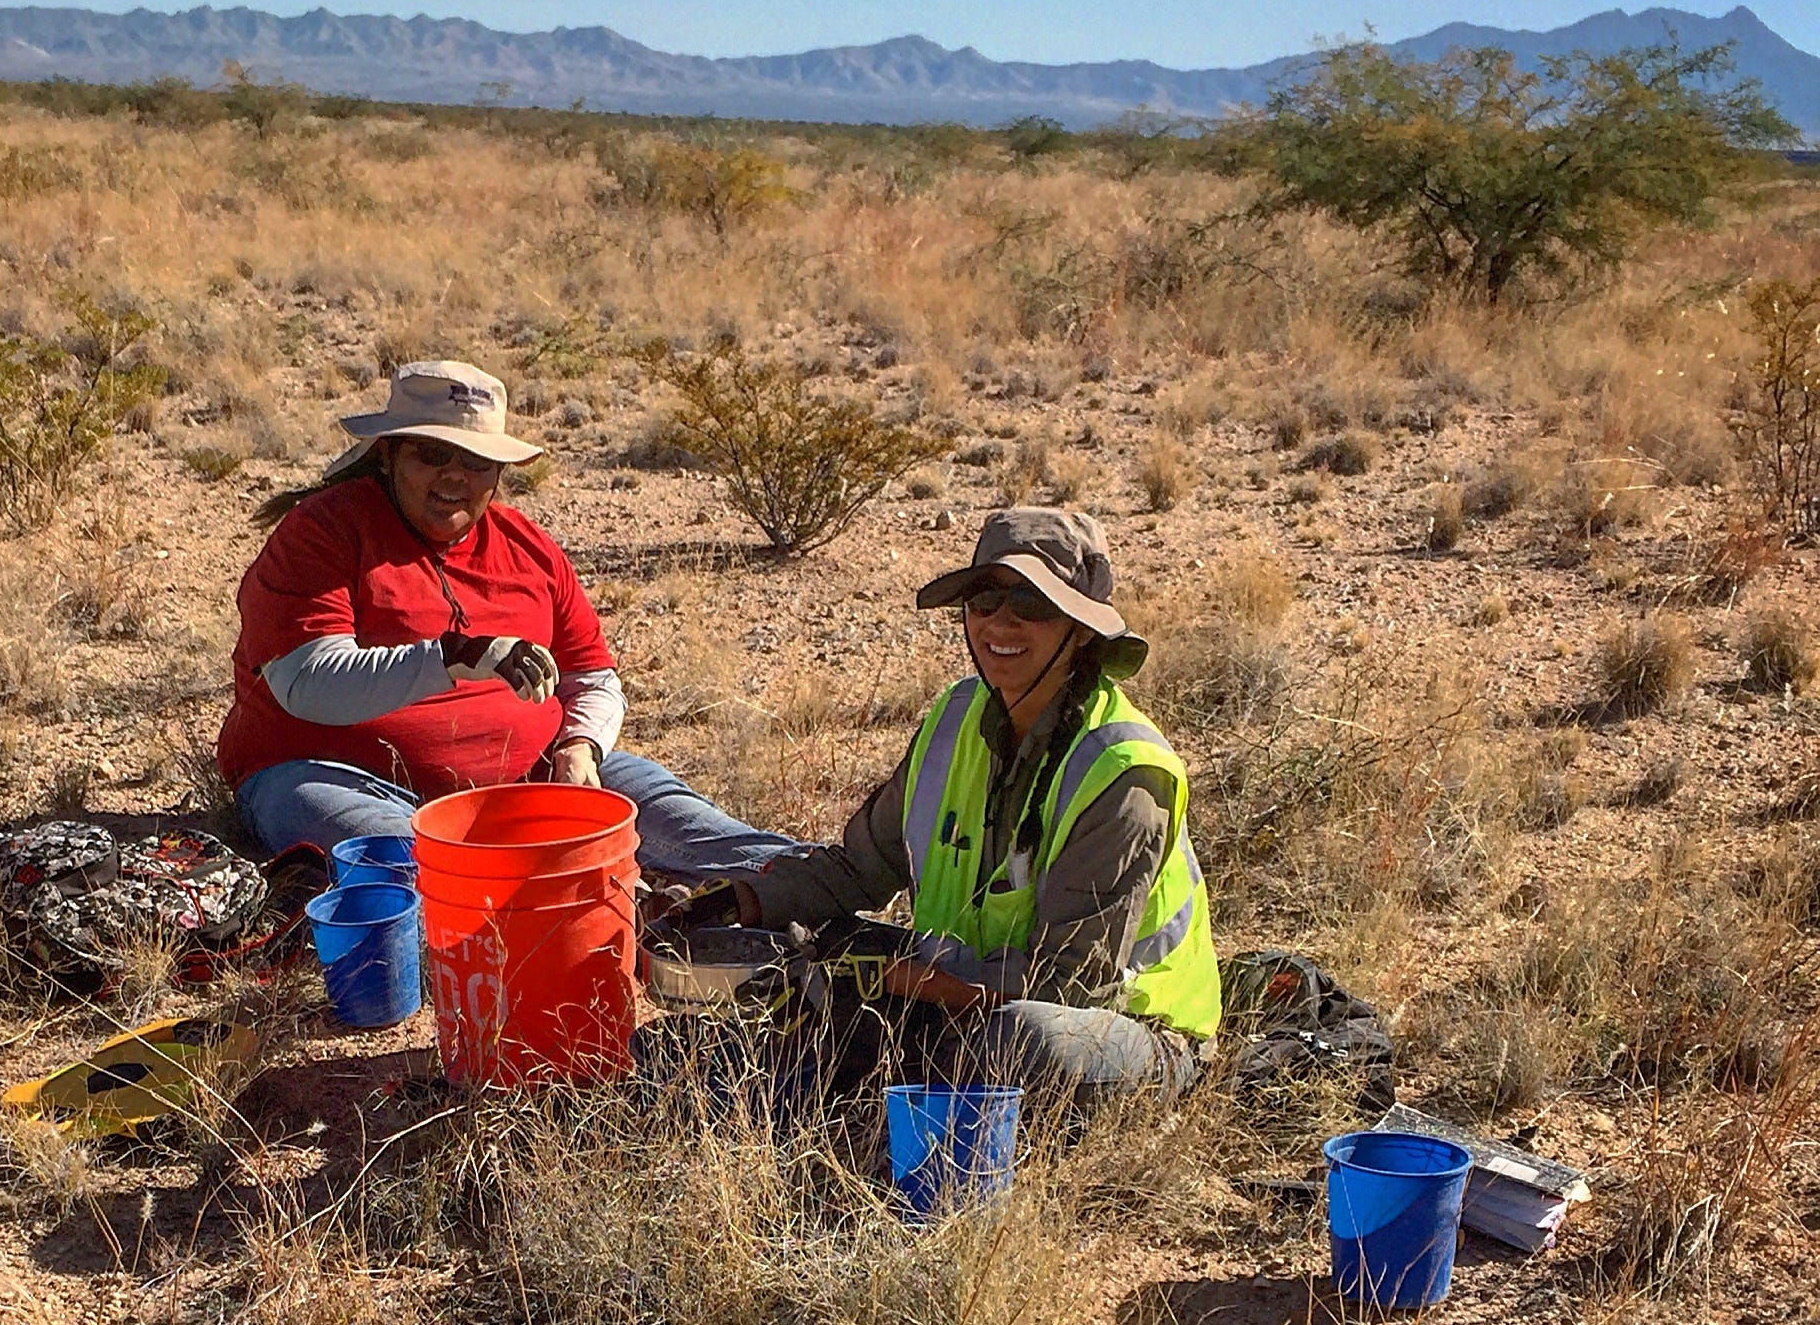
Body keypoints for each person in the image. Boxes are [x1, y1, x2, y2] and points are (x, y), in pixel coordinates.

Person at [694, 507, 1219, 1104]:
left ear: (1080, 630)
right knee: (829, 955)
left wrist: (900, 983)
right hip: (964, 989)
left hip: (1129, 1033)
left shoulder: (1125, 775)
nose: (1002, 623)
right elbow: (862, 869)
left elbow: (1068, 987)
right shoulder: (953, 718)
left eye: (1033, 604)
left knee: (1017, 1042)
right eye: (983, 600)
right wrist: (739, 900)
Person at [217, 358, 803, 879]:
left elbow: (593, 680)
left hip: (532, 776)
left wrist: (580, 747)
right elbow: (308, 685)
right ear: (389, 455)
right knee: (413, 865)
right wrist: (452, 657)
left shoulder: (527, 546)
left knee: (718, 841)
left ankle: (828, 905)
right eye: (433, 455)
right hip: (333, 775)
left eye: (477, 462)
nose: (456, 478)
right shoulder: (323, 532)